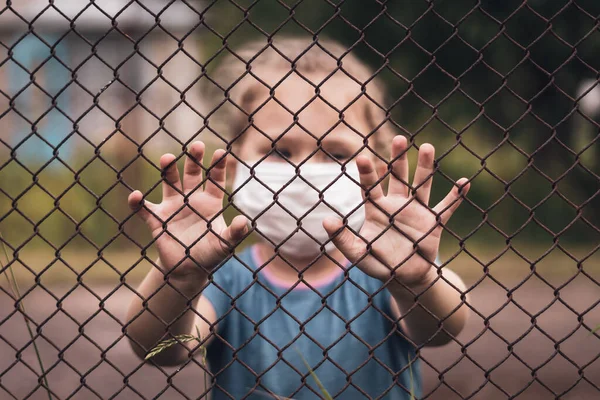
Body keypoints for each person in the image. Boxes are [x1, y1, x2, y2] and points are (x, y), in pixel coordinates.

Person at [125, 37, 471, 399]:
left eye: (336, 153)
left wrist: (414, 282)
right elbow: (163, 351)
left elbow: (440, 330)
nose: (304, 170)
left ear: (378, 169)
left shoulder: (388, 266)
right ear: (236, 160)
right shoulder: (223, 276)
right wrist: (180, 278)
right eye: (280, 150)